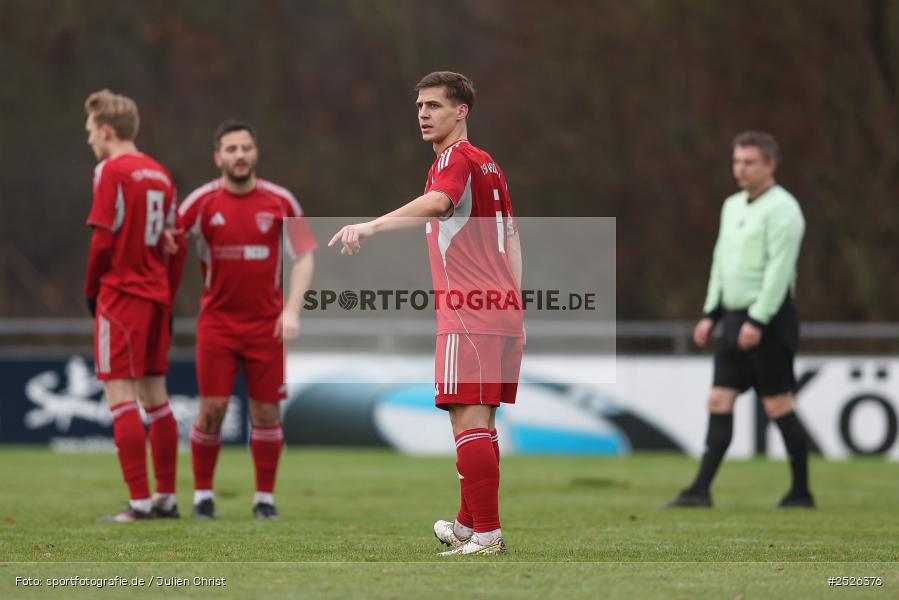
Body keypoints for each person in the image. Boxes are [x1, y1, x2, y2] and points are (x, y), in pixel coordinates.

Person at [330, 71, 524, 555]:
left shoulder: (454, 160)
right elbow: (514, 238)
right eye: (419, 106)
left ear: (462, 112)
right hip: (498, 308)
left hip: (469, 311)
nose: (423, 113)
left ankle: (487, 535)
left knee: (467, 419)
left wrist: (372, 227)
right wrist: (512, 302)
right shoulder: (489, 165)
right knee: (480, 420)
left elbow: (439, 202)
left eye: (434, 106)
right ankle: (467, 525)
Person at [174, 120, 316, 519]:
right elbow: (166, 240)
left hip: (266, 325)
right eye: (231, 149)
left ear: (256, 153)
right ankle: (203, 495)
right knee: (213, 409)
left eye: (246, 148)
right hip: (217, 324)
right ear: (218, 157)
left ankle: (264, 500)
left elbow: (304, 255)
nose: (240, 155)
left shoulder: (280, 201)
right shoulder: (201, 202)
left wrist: (291, 310)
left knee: (266, 413)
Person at [667, 130, 812, 509]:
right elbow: (721, 262)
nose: (740, 169)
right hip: (735, 319)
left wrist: (759, 321)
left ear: (770, 165)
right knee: (718, 399)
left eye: (749, 162)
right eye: (736, 161)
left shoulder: (784, 210)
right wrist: (711, 313)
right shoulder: (732, 206)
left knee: (777, 405)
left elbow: (780, 272)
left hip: (771, 319)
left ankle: (801, 492)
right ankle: (700, 490)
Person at [83, 89, 182, 522]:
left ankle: (139, 503)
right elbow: (173, 245)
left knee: (120, 398)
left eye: (89, 132)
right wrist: (167, 292)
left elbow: (103, 237)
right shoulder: (161, 174)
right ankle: (166, 497)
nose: (88, 140)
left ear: (106, 130)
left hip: (121, 295)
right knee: (156, 399)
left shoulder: (110, 170)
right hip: (157, 296)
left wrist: (91, 290)